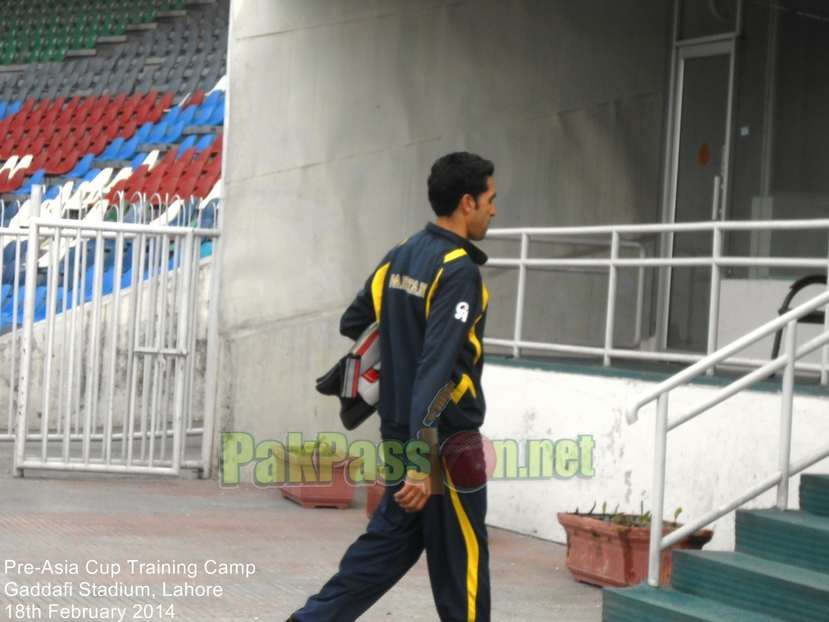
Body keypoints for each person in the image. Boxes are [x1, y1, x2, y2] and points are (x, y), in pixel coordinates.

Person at [288, 151, 497, 622]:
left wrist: (403, 331)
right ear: (467, 202)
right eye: (491, 199)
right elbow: (437, 371)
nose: (494, 210)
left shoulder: (402, 254)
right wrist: (425, 463)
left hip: (400, 435)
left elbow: (355, 320)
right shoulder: (458, 270)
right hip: (442, 445)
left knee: (384, 550)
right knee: (462, 564)